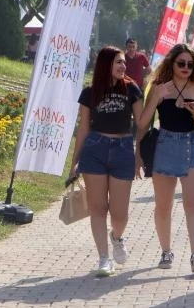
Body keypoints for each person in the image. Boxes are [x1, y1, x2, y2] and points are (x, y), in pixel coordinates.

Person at [69, 46, 144, 277]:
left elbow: (142, 124)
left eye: (123, 62)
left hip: (122, 149)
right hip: (95, 149)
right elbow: (83, 129)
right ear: (105, 65)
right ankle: (103, 258)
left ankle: (117, 237)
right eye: (118, 62)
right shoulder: (90, 92)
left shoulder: (131, 89)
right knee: (98, 208)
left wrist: (139, 155)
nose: (123, 66)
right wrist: (75, 162)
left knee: (120, 214)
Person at [138, 43, 194, 273]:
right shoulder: (160, 87)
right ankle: (166, 251)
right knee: (163, 205)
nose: (186, 68)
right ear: (171, 63)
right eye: (181, 63)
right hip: (165, 144)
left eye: (190, 64)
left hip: (192, 144)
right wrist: (156, 97)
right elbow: (142, 123)